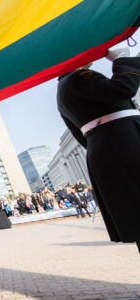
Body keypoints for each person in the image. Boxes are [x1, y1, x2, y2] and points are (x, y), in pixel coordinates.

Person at [57, 48, 140, 252]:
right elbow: (122, 89)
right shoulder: (78, 77)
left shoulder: (63, 90)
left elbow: (80, 136)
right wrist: (123, 59)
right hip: (124, 142)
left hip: (109, 147)